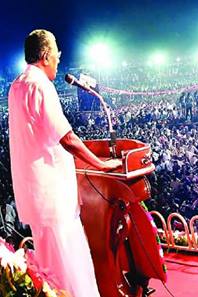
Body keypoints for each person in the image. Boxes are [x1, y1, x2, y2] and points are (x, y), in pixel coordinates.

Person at [8, 29, 122, 297]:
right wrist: (102, 165)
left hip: (35, 195)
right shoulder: (39, 85)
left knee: (50, 267)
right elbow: (66, 137)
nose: (59, 60)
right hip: (53, 196)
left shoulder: (17, 85)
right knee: (69, 268)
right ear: (45, 55)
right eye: (56, 54)